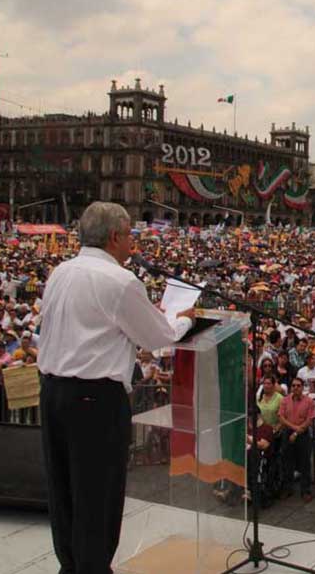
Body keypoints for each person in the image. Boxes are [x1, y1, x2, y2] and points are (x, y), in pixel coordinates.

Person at [36, 202, 195, 574]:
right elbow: (159, 337)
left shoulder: (62, 271)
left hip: (54, 392)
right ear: (113, 237)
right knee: (97, 493)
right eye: (129, 236)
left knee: (64, 490)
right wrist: (181, 320)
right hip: (95, 400)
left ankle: (71, 565)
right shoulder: (120, 280)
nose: (132, 244)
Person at [278, 377, 315, 502]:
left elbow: (310, 419)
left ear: (302, 387)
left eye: (298, 385)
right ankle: (287, 488)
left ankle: (305, 491)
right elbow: (281, 417)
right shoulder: (285, 400)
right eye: (293, 385)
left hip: (303, 434)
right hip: (288, 432)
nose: (295, 388)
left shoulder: (309, 401)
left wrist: (298, 431)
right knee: (287, 462)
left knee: (304, 463)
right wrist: (295, 429)